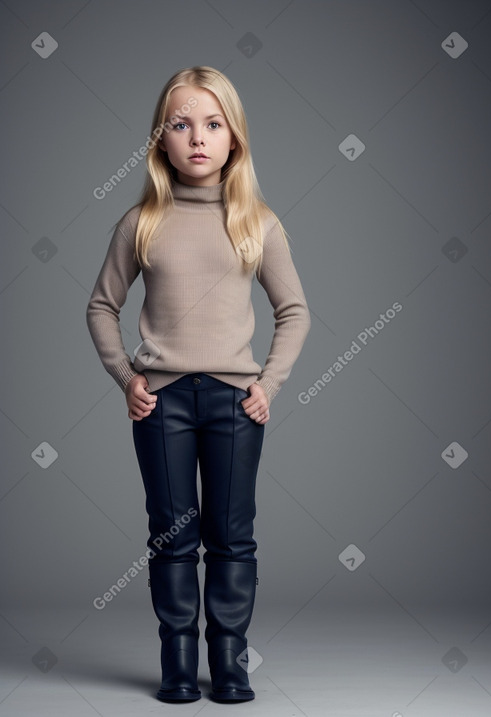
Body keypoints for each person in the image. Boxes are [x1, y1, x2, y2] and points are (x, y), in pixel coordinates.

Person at [86, 65, 311, 703]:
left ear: (234, 138)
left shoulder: (257, 222)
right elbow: (102, 306)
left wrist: (268, 382)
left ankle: (230, 663)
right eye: (181, 125)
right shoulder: (140, 222)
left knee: (232, 534)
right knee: (171, 533)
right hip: (163, 402)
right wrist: (126, 377)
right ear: (160, 139)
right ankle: (178, 663)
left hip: (236, 402)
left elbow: (293, 310)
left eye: (212, 124)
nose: (197, 138)